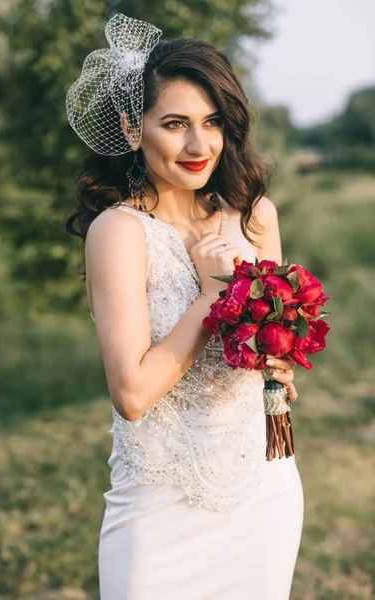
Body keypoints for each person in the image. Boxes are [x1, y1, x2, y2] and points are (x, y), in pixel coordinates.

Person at [65, 13, 304, 600]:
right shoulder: (119, 233)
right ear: (130, 127)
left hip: (262, 496)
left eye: (213, 122)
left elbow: (267, 355)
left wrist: (280, 360)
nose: (200, 146)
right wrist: (213, 297)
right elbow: (133, 395)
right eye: (175, 124)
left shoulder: (254, 217)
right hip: (158, 509)